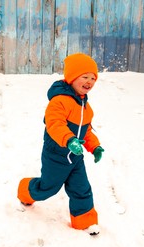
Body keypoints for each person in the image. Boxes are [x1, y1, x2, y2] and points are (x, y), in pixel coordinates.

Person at [17, 53, 104, 235]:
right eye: (85, 77)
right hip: (56, 155)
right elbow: (54, 124)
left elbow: (86, 131)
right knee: (48, 188)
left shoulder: (86, 107)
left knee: (82, 188)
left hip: (76, 158)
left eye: (93, 78)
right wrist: (69, 140)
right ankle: (25, 190)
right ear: (72, 77)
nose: (89, 82)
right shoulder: (59, 102)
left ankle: (85, 222)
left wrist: (95, 147)